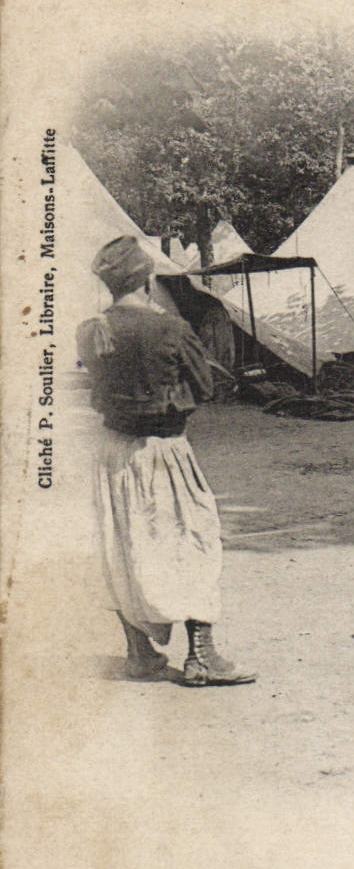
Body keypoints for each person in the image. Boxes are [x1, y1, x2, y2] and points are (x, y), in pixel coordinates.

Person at [76, 236, 255, 686]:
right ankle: (202, 656)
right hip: (165, 452)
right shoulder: (171, 329)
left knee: (124, 546)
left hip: (114, 453)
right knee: (193, 540)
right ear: (149, 281)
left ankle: (140, 654)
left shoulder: (91, 329)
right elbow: (207, 387)